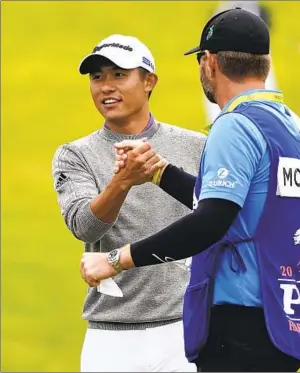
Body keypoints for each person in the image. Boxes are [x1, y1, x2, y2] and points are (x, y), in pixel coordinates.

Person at [80, 8, 300, 373]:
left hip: (240, 323)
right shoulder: (290, 128)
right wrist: (161, 172)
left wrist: (117, 260)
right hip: (287, 318)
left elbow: (211, 221)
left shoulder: (235, 125)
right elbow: (244, 211)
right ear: (265, 62)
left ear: (209, 62)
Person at [52, 33, 205, 372]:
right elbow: (83, 226)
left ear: (149, 81)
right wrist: (123, 181)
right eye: (97, 77)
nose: (106, 86)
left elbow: (218, 217)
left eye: (119, 75)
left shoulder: (197, 146)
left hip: (185, 328)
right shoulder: (75, 155)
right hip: (111, 335)